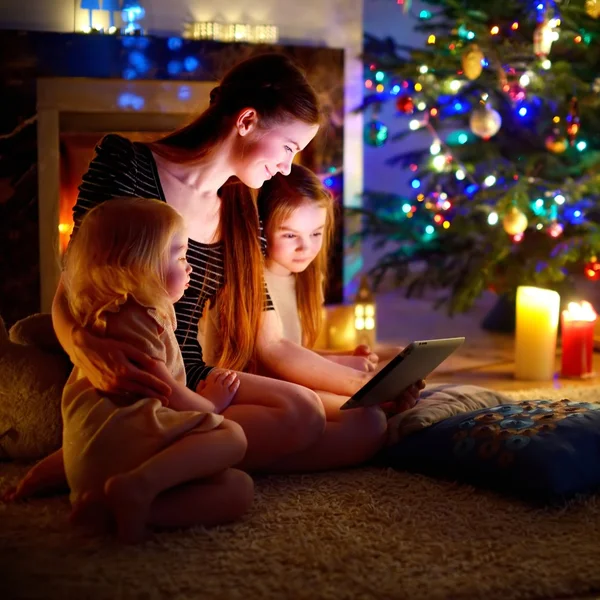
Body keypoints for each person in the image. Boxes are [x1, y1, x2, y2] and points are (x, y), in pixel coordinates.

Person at [5, 53, 379, 502]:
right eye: (288, 148)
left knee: (367, 424)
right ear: (246, 121)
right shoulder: (127, 165)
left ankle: (111, 460)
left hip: (193, 374)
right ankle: (119, 458)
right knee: (301, 415)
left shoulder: (243, 210)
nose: (287, 166)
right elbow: (73, 289)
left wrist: (370, 386)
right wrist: (86, 348)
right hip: (138, 370)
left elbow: (271, 344)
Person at [50, 198, 253, 543]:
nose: (189, 268)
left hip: (93, 460)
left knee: (238, 488)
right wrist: (212, 404)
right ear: (138, 266)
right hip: (123, 449)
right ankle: (140, 486)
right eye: (180, 257)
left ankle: (116, 505)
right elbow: (168, 394)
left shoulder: (103, 316)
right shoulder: (139, 319)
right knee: (232, 436)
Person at [202, 164, 423, 472]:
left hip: (284, 386)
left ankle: (276, 450)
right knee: (367, 425)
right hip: (240, 393)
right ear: (262, 230)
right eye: (290, 234)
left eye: (316, 233)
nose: (306, 247)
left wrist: (344, 359)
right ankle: (239, 455)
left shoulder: (304, 279)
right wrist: (360, 382)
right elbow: (273, 354)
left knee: (372, 409)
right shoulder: (247, 278)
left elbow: (296, 352)